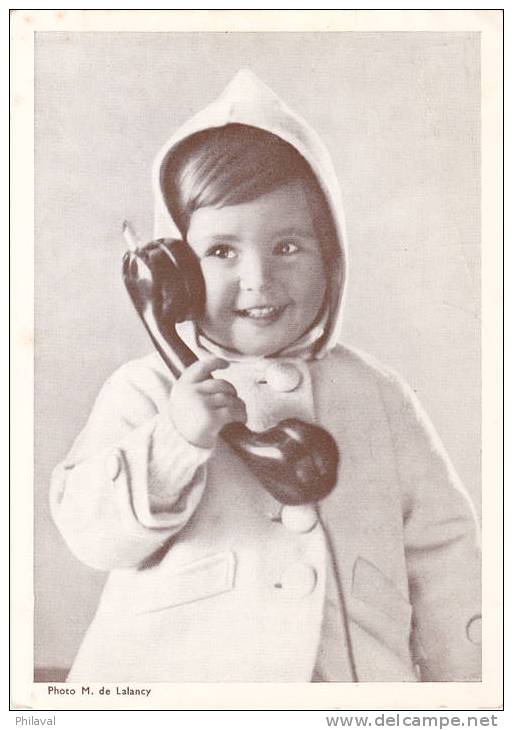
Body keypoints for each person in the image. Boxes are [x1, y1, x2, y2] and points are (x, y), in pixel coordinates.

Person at [50, 69, 481, 683]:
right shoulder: (147, 391)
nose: (258, 278)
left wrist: (467, 691)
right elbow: (94, 538)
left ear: (331, 258)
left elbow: (446, 556)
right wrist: (176, 442)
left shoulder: (380, 397)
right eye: (222, 252)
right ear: (172, 270)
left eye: (288, 247)